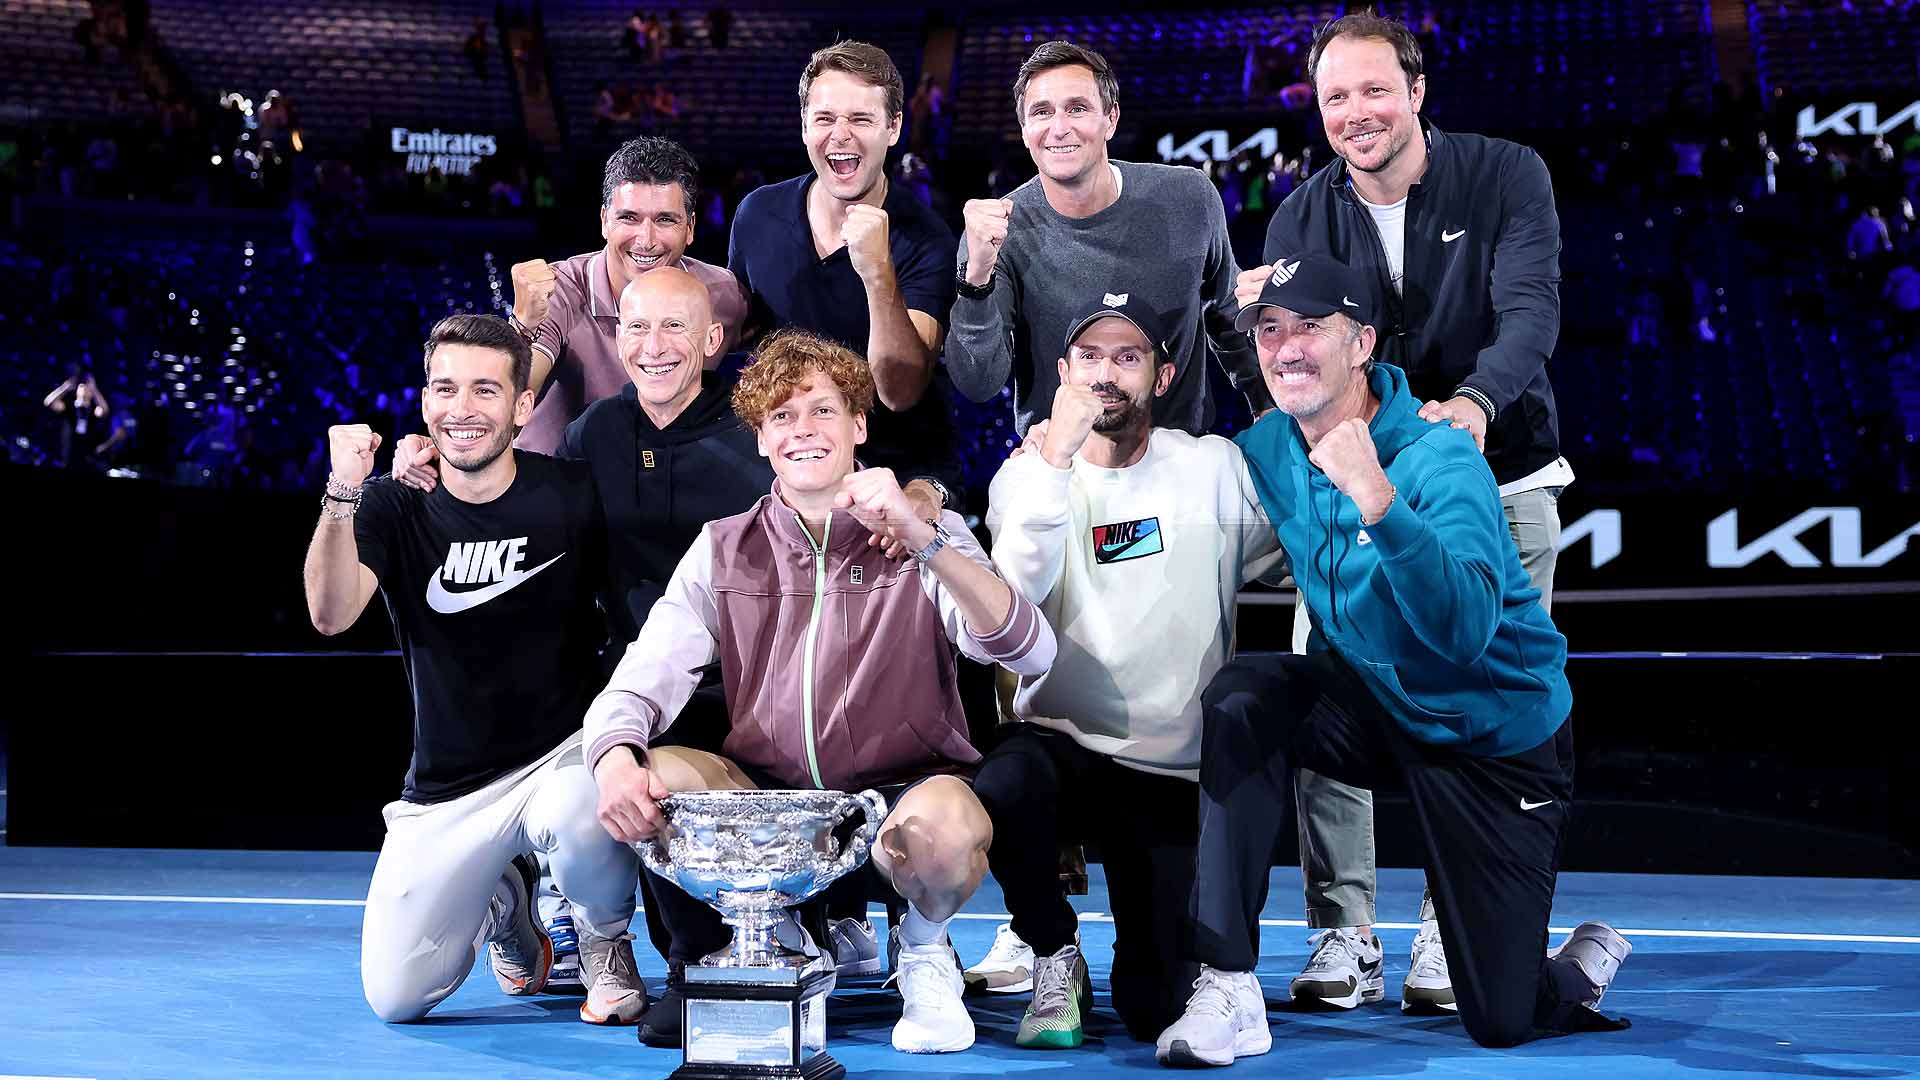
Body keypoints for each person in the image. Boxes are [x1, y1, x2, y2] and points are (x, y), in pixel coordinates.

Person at [1155, 254, 1629, 1066]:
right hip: (1377, 707)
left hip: (1493, 741)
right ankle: (1227, 983)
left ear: (1363, 343)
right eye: (1270, 331)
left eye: (1312, 328)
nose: (1287, 348)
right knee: (1245, 695)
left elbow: (1465, 631)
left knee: (1502, 1017)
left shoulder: (1439, 457)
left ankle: (1579, 963)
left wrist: (1378, 499)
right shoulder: (1270, 446)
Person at [585, 329, 1056, 1055]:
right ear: (763, 442)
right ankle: (764, 939)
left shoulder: (923, 530)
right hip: (775, 806)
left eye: (822, 411)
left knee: (949, 832)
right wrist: (614, 753)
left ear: (859, 425)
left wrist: (925, 538)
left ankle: (924, 951)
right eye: (782, 417)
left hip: (900, 791)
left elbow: (1029, 649)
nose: (802, 430)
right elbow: (642, 675)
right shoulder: (724, 544)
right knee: (656, 775)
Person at [1233, 11, 1574, 1010]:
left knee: (1481, 711)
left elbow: (1532, 312)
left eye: (1375, 90)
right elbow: (1295, 360)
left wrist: (1470, 405)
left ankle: (1445, 927)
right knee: (1327, 701)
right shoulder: (1303, 214)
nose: (1355, 113)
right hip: (1351, 498)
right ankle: (1344, 935)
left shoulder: (1507, 173)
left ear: (1418, 91)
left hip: (1498, 479)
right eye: (1335, 97)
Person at [302, 314, 648, 1026]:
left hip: (562, 755)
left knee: (588, 806)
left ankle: (605, 942)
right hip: (449, 786)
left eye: (485, 391)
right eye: (446, 389)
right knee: (395, 998)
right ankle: (505, 904)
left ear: (523, 407)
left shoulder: (573, 493)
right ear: (425, 401)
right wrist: (342, 490)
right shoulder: (393, 504)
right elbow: (331, 614)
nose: (462, 409)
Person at [977, 296, 1280, 1049]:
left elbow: (1297, 552)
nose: (1105, 375)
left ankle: (1146, 966)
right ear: (1061, 372)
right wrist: (1051, 463)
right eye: (1090, 358)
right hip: (1061, 749)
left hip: (1169, 772)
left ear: (1164, 374)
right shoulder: (1026, 476)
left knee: (1153, 1010)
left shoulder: (1213, 469)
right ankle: (1052, 951)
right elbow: (1013, 598)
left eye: (1128, 357)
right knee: (1005, 782)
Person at [945, 40, 1264, 439]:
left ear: (1111, 119)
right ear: (1025, 130)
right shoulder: (996, 233)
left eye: (1077, 108)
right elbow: (978, 383)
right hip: (1065, 467)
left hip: (1182, 461)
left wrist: (1265, 407)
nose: (1059, 127)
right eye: (1042, 112)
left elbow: (1227, 316)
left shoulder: (1190, 197)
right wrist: (976, 279)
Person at [726, 39, 965, 508]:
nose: (841, 135)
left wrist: (878, 272)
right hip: (789, 468)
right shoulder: (758, 214)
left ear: (894, 128)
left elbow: (899, 392)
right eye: (825, 119)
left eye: (860, 119)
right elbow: (739, 337)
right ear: (803, 127)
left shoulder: (928, 240)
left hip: (898, 477)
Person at [508, 136, 747, 453]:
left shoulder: (722, 296)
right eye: (629, 218)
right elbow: (507, 405)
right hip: (553, 489)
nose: (646, 240)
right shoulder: (560, 289)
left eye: (664, 219)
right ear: (605, 220)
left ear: (690, 227)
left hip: (659, 489)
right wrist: (522, 325)